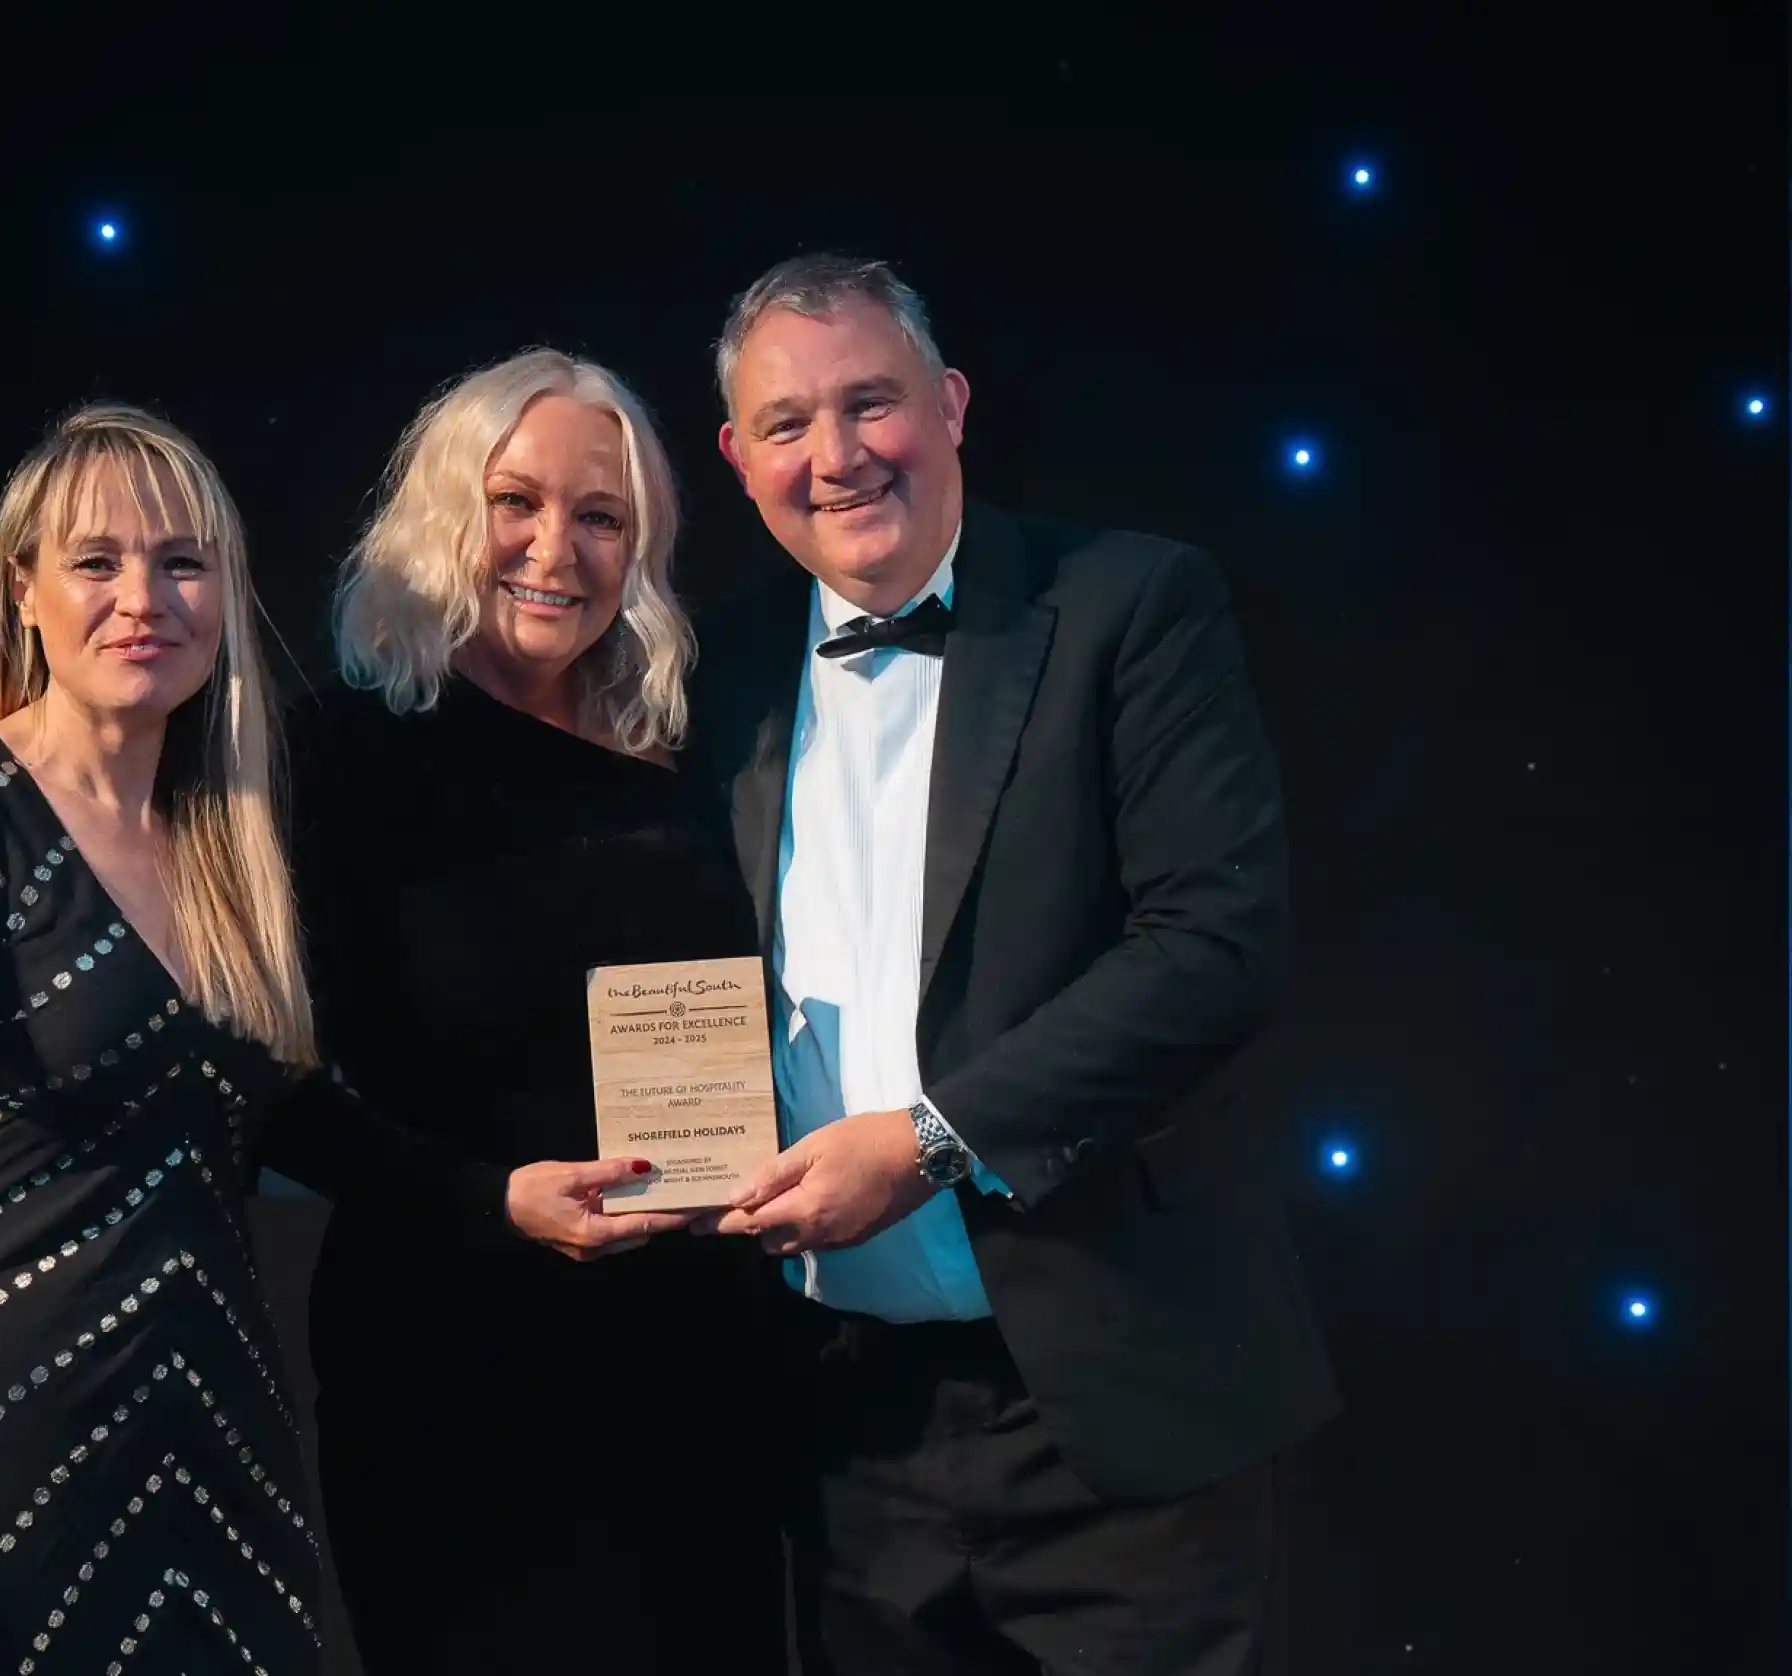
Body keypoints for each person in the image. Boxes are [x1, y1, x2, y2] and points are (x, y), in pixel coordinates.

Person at [685, 255, 1342, 1676]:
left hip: (1115, 1404)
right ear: (738, 461)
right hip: (841, 1426)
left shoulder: (1129, 604)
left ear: (955, 404)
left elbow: (1215, 949)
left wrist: (928, 1144)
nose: (839, 454)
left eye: (874, 403)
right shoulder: (714, 677)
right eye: (789, 424)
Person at [0, 403, 460, 1674]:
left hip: (216, 1444)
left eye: (182, 561)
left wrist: (501, 1193)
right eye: (96, 560)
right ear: (25, 590)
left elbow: (297, 1119)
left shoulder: (231, 846)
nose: (140, 595)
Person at [290, 348, 783, 1674]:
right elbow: (269, 1093)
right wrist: (488, 1200)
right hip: (453, 1383)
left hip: (692, 1377)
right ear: (447, 510)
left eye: (600, 515)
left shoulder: (693, 759)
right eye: (515, 501)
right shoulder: (334, 766)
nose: (554, 548)